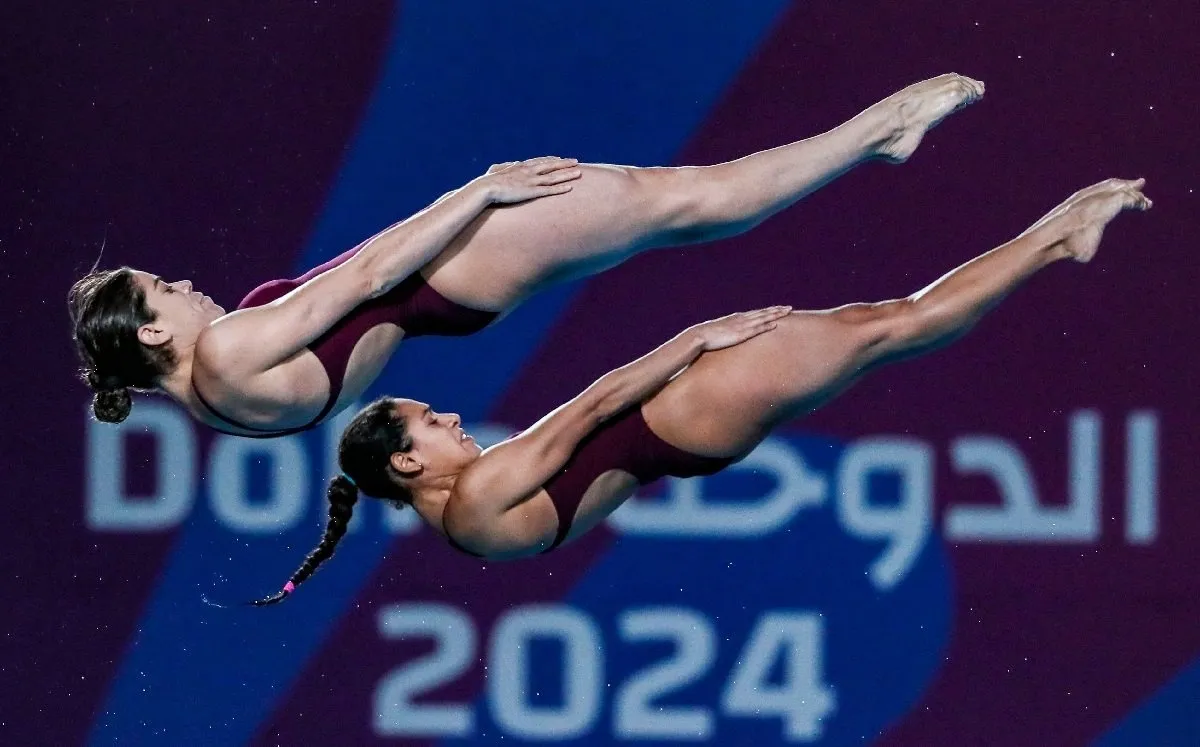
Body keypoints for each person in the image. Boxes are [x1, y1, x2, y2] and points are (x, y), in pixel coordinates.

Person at [249, 177, 1151, 604]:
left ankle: (1051, 239)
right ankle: (1055, 236)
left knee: (881, 331)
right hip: (677, 414)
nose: (449, 416)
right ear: (409, 462)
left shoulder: (464, 521)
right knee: (886, 326)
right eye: (430, 420)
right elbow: (598, 404)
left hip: (682, 436)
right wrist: (695, 338)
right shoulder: (479, 493)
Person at [69, 74, 984, 437]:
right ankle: (877, 132)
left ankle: (868, 139)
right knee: (684, 199)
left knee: (679, 215)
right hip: (445, 272)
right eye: (167, 287)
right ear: (153, 327)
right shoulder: (226, 350)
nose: (188, 285)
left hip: (449, 298)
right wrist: (480, 191)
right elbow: (361, 279)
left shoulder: (211, 405)